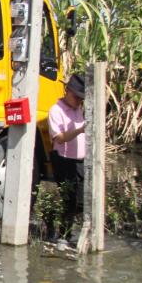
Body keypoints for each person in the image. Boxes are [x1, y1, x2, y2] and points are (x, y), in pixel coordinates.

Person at [47, 73, 86, 237]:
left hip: (79, 161)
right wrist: (79, 130)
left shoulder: (79, 110)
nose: (78, 101)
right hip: (63, 160)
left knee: (82, 201)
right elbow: (59, 138)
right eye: (76, 97)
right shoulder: (56, 111)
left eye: (81, 99)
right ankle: (62, 234)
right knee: (68, 200)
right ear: (67, 91)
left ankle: (66, 232)